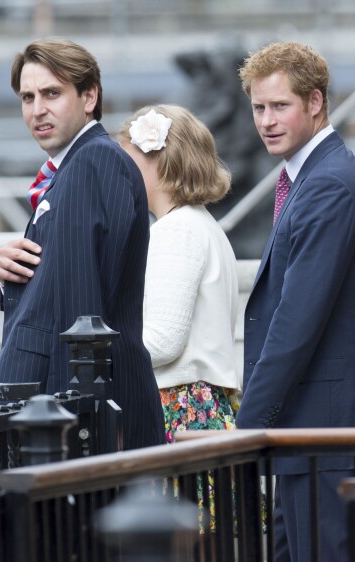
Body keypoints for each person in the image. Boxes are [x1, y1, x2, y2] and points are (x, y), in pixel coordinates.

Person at [235, 41, 355, 562]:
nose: (266, 121)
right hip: (314, 423)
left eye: (279, 106)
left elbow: (295, 322)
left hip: (325, 425)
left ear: (315, 103)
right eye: (258, 108)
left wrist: (247, 428)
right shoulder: (312, 177)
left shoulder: (327, 182)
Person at [0, 38, 165, 450]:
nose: (37, 110)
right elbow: (60, 287)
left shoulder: (93, 161)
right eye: (27, 97)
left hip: (71, 416)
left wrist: (69, 420)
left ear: (90, 96)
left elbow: (81, 316)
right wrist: (12, 277)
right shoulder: (75, 166)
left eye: (52, 93)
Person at [117, 104, 240, 442]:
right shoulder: (201, 225)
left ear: (158, 160)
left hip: (180, 410)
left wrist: (101, 351)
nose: (121, 173)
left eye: (127, 162)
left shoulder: (176, 230)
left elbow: (164, 340)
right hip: (202, 408)